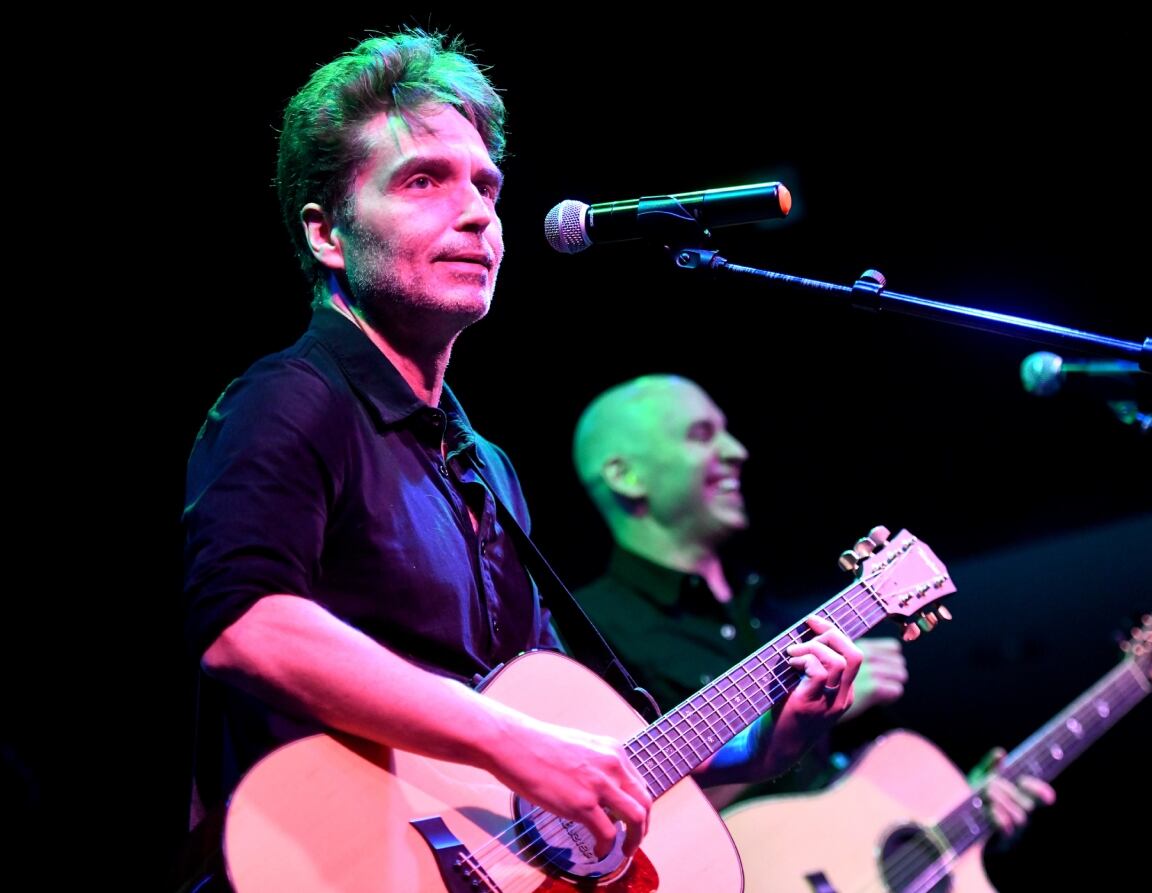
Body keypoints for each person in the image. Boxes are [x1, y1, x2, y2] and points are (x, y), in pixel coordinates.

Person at [181, 29, 863, 887]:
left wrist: (762, 747)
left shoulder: (485, 469)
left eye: (486, 187)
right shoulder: (291, 400)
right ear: (327, 233)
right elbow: (247, 625)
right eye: (424, 180)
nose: (475, 213)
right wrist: (510, 740)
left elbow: (570, 752)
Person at [571, 373, 1056, 824]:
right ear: (625, 475)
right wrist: (794, 730)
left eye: (726, 432)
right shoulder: (583, 625)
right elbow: (606, 815)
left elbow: (854, 816)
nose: (737, 450)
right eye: (701, 435)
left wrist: (965, 811)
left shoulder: (777, 617)